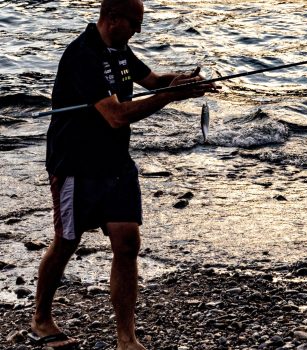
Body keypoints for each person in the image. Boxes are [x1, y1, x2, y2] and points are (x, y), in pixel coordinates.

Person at [29, 0, 218, 349]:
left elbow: (151, 81)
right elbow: (116, 115)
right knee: (67, 243)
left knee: (128, 243)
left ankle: (126, 340)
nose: (138, 30)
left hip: (116, 163)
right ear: (112, 18)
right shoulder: (82, 55)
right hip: (75, 164)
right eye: (135, 23)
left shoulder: (120, 50)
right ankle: (41, 319)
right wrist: (169, 98)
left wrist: (180, 82)